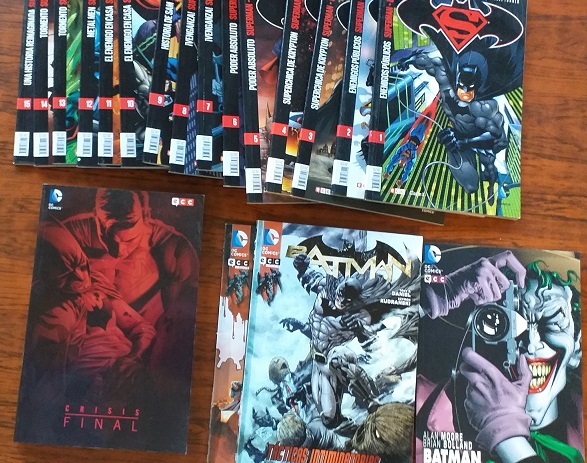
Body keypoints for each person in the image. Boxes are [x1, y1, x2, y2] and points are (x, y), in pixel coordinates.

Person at [420, 252, 584, 463]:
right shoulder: (422, 400)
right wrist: (433, 297)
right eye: (511, 324)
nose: (531, 344)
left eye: (551, 321)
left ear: (577, 345)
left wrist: (506, 435)